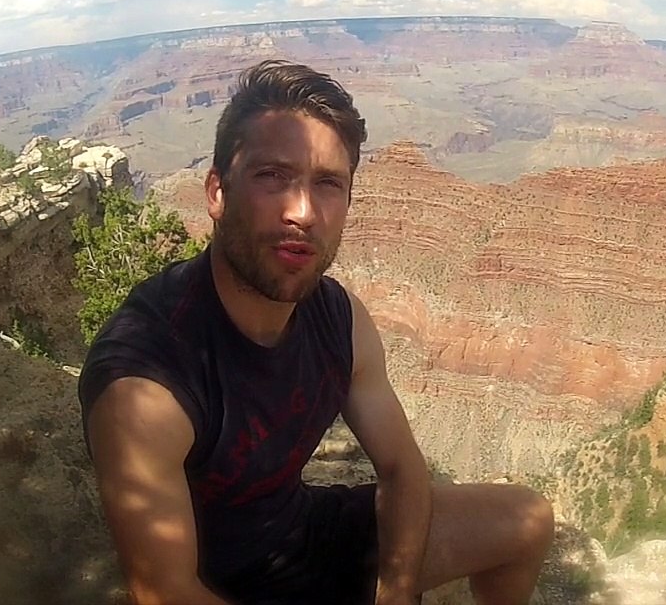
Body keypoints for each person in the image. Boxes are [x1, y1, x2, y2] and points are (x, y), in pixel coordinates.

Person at [78, 59, 556, 605]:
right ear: (216, 192)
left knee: (527, 518)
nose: (303, 212)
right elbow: (165, 592)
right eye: (272, 176)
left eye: (328, 183)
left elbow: (402, 468)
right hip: (216, 588)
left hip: (304, 541)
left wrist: (397, 590)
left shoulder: (338, 320)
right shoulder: (148, 379)